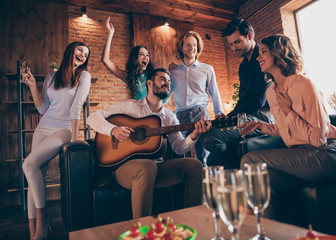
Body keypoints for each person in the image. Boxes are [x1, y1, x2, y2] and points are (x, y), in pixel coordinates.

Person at [240, 34, 336, 218]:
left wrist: (288, 111)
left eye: (264, 51)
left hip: (327, 155)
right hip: (301, 158)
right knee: (263, 180)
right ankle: (270, 233)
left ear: (279, 52)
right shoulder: (271, 92)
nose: (258, 57)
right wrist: (261, 126)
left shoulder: (305, 85)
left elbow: (318, 139)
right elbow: (287, 131)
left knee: (249, 161)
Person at [87, 68, 210, 219]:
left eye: (169, 82)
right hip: (126, 169)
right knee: (147, 166)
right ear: (150, 83)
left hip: (156, 168)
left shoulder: (169, 117)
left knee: (195, 165)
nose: (168, 84)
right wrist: (113, 130)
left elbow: (179, 148)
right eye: (163, 80)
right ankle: (142, 228)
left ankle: (195, 220)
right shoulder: (130, 106)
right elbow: (93, 117)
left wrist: (194, 135)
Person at [21, 41, 91, 240]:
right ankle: (33, 231)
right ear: (70, 50)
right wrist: (33, 85)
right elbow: (42, 109)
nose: (83, 55)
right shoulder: (52, 76)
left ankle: (43, 220)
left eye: (86, 54)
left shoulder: (84, 76)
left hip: (64, 129)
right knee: (34, 173)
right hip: (43, 128)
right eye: (80, 50)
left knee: (29, 164)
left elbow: (77, 107)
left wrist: (76, 138)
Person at [201, 19, 273, 169]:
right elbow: (243, 99)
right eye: (231, 44)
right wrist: (226, 118)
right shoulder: (242, 67)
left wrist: (230, 119)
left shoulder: (263, 59)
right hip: (249, 114)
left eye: (237, 42)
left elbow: (257, 101)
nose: (234, 48)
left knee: (210, 139)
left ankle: (235, 170)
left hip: (264, 114)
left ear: (250, 36)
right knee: (211, 161)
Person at [168, 30, 224, 165]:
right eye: (187, 45)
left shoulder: (207, 69)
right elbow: (166, 94)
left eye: (194, 45)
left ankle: (206, 184)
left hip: (201, 114)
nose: (191, 48)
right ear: (181, 47)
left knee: (204, 156)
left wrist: (219, 113)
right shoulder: (173, 72)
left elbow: (214, 92)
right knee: (179, 154)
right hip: (180, 116)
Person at [102, 17, 155, 100]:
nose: (145, 57)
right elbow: (105, 60)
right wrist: (110, 34)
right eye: (141, 54)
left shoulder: (153, 75)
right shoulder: (129, 76)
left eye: (147, 55)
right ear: (135, 58)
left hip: (152, 112)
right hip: (136, 111)